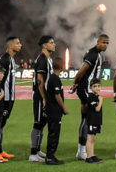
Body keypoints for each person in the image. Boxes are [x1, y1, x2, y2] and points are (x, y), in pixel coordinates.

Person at [30, 35, 68, 165]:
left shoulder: (48, 59)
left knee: (43, 123)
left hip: (45, 97)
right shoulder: (42, 60)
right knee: (38, 123)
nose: (54, 45)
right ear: (44, 45)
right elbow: (40, 82)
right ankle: (33, 153)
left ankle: (38, 150)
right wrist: (45, 99)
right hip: (40, 97)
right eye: (51, 43)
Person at [72, 35, 109, 161]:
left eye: (107, 43)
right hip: (86, 91)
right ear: (98, 42)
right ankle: (82, 150)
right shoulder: (93, 54)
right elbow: (82, 71)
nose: (105, 45)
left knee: (88, 119)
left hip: (89, 90)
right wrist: (75, 83)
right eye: (103, 42)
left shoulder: (98, 54)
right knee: (87, 119)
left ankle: (83, 150)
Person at [0, 37, 21, 162]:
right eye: (17, 43)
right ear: (10, 46)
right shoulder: (5, 59)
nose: (20, 45)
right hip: (4, 98)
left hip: (10, 98)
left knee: (2, 124)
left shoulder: (11, 59)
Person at [83, 79, 104, 164]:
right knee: (90, 138)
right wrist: (101, 100)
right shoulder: (91, 97)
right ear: (91, 88)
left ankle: (92, 155)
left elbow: (100, 113)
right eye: (95, 86)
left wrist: (100, 124)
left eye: (98, 86)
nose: (97, 88)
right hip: (91, 121)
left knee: (93, 138)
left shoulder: (96, 97)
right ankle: (88, 157)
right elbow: (97, 109)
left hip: (96, 121)